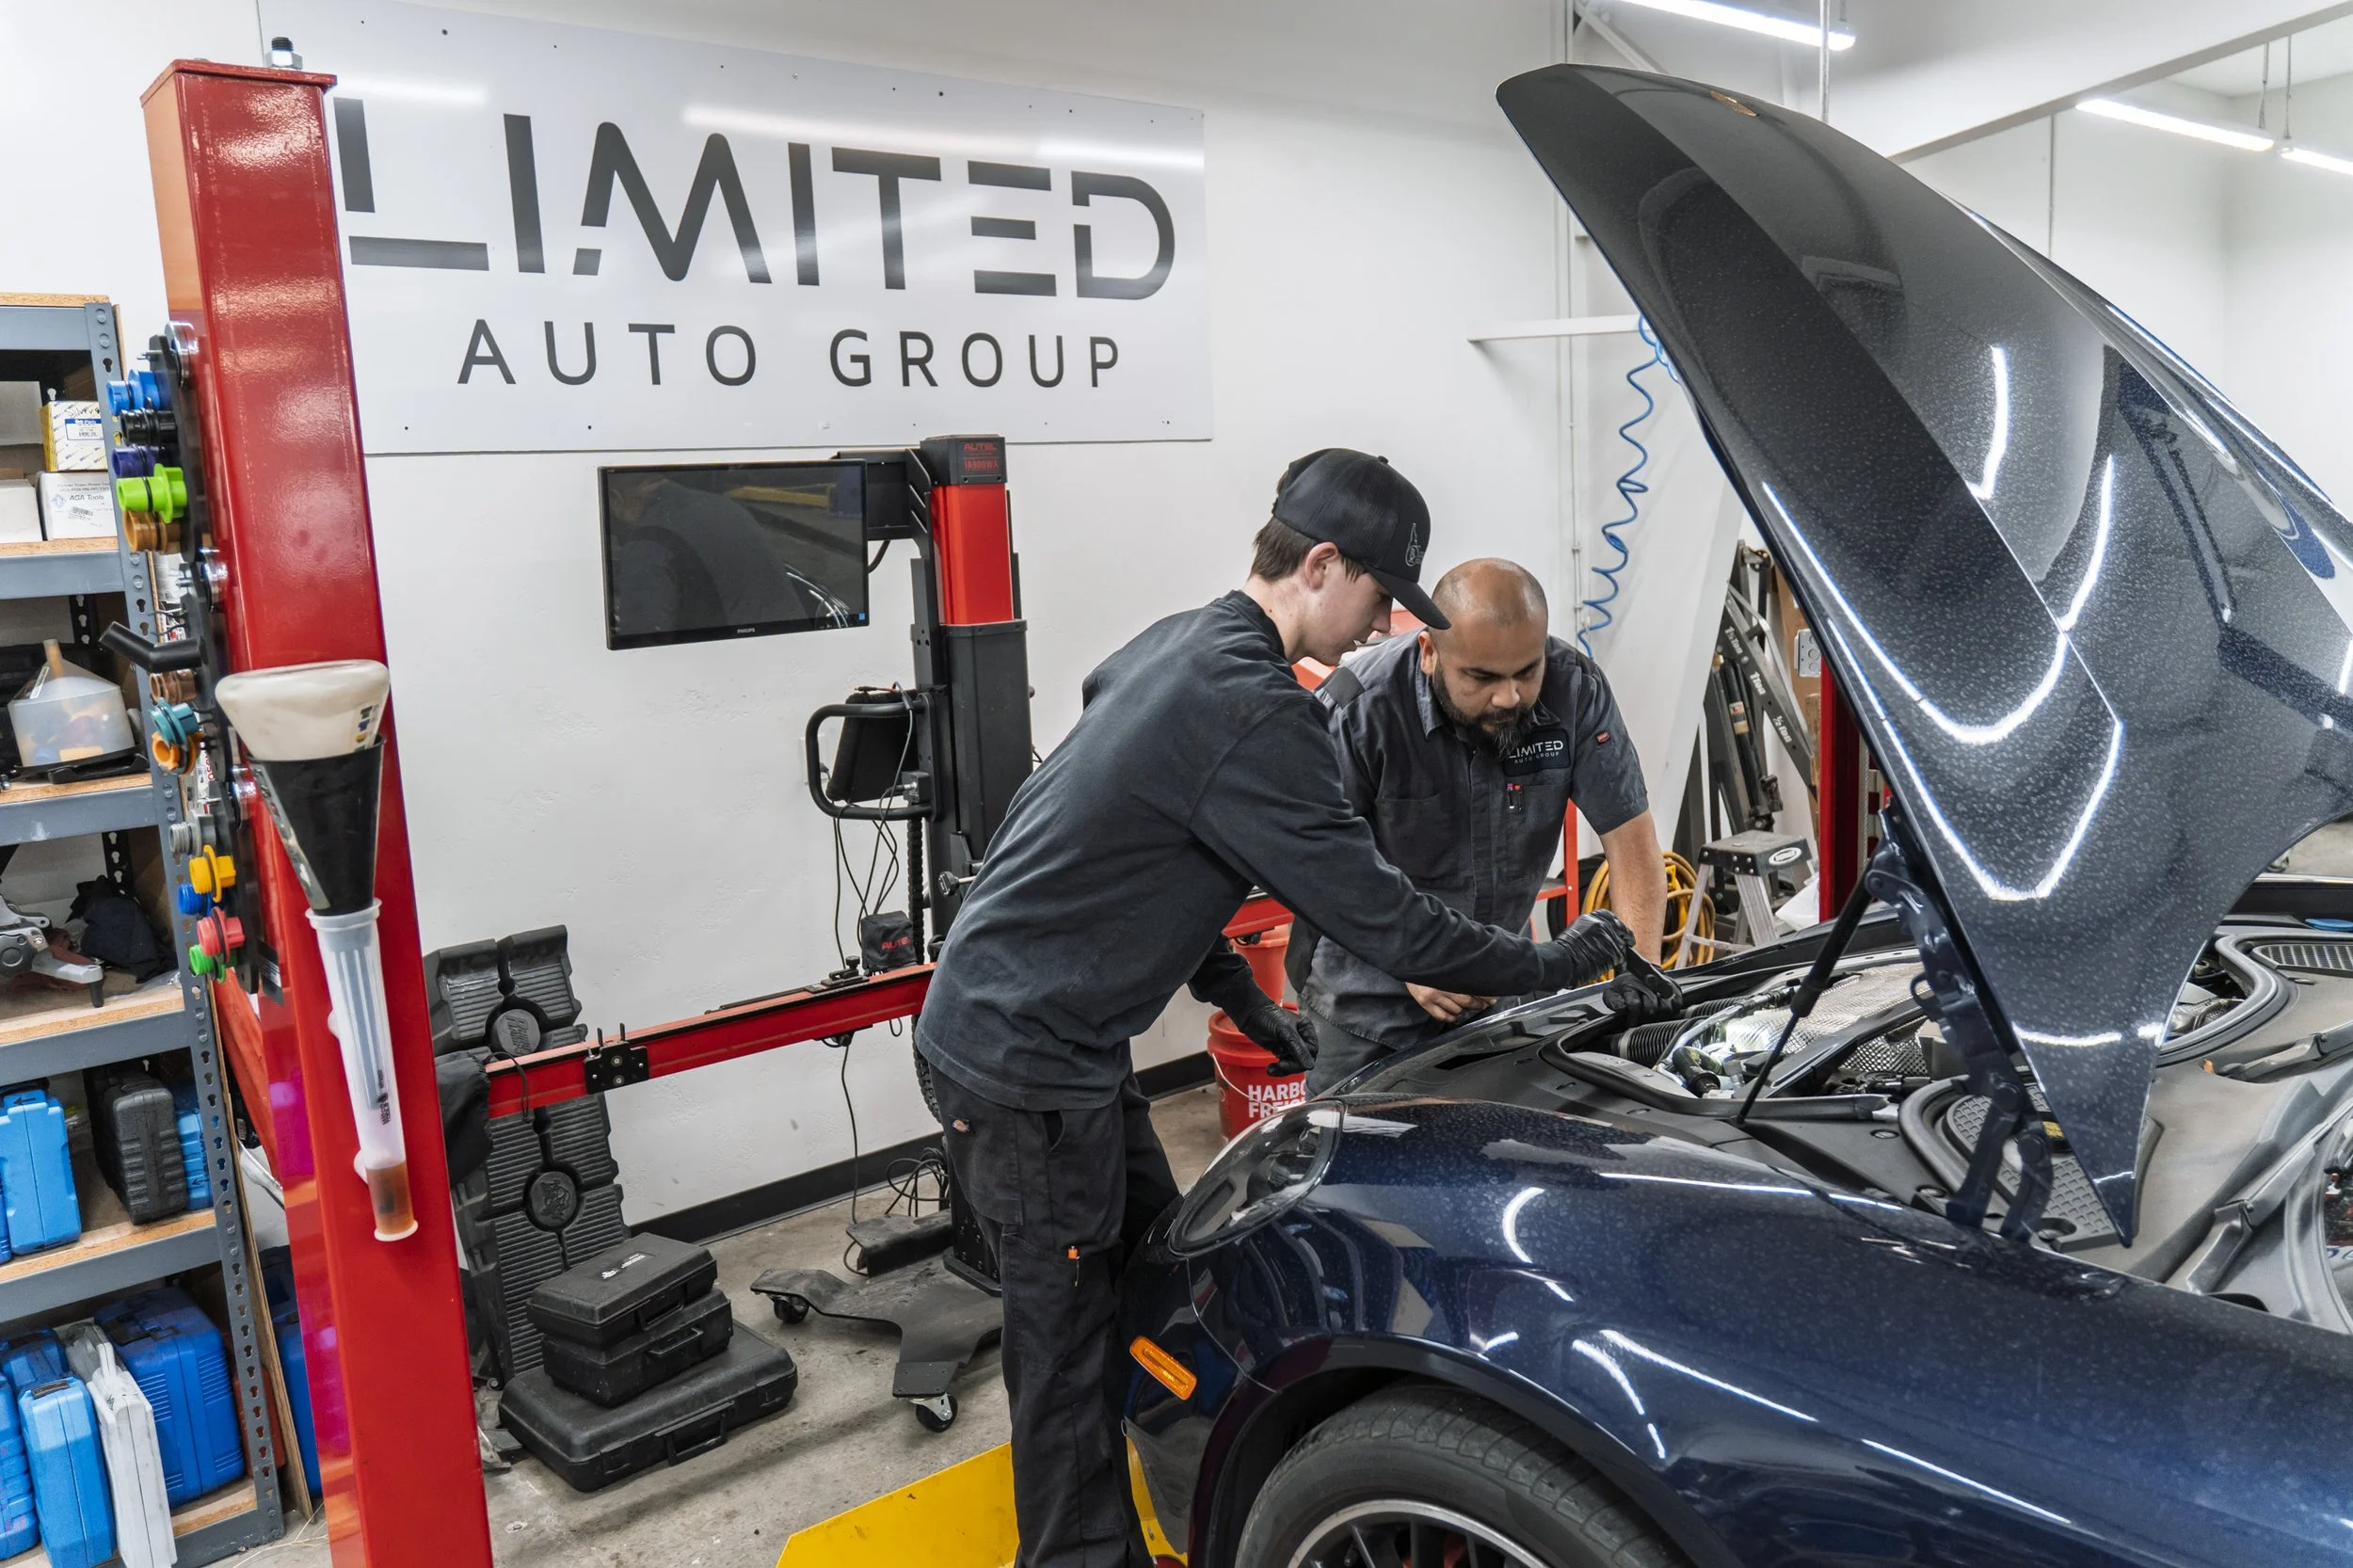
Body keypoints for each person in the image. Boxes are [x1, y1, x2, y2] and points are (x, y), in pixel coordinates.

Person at [913, 450, 1668, 1568]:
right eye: (1378, 598)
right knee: (1064, 1361)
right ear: (1322, 564)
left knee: (1150, 1285)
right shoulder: (1258, 709)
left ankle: (1161, 1497)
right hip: (1023, 1067)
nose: (1378, 627)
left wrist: (1242, 1002)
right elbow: (1399, 931)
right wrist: (1583, 955)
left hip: (1057, 1045)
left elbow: (1138, 854)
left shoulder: (1180, 645)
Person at [1296, 558, 1668, 1093]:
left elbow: (1632, 847)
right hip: (1366, 1006)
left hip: (1503, 995)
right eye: (1482, 677)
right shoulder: (1361, 708)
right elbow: (1317, 865)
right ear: (1430, 654)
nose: (1509, 698)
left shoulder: (1574, 689)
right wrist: (1408, 956)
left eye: (1526, 671)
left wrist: (1641, 968)